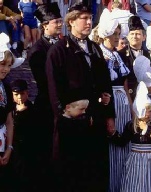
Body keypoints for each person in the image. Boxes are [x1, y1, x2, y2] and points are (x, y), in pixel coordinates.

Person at [46, 2, 115, 191]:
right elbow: (54, 92)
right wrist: (66, 117)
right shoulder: (59, 51)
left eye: (90, 18)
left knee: (96, 174)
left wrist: (109, 115)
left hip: (96, 122)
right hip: (72, 127)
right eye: (83, 18)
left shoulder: (95, 49)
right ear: (71, 22)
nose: (88, 22)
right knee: (73, 175)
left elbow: (105, 84)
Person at [26, 2, 62, 190]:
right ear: (45, 25)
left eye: (60, 20)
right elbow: (45, 81)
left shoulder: (64, 44)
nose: (59, 24)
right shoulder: (38, 50)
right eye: (56, 21)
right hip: (47, 106)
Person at [109, 81, 151, 192]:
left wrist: (147, 129)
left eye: (150, 111)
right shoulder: (131, 125)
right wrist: (113, 134)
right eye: (146, 111)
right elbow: (122, 141)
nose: (148, 114)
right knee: (135, 184)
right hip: (136, 159)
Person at [97, 17, 131, 192]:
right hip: (110, 102)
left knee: (125, 144)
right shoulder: (99, 54)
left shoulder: (118, 54)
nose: (117, 37)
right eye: (113, 34)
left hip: (123, 101)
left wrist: (131, 106)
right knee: (113, 144)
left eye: (118, 34)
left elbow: (125, 84)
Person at [56, 88, 93, 191]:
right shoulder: (63, 122)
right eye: (81, 109)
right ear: (68, 107)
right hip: (68, 166)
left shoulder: (77, 120)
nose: (84, 112)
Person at [10, 79, 36, 191]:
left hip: (26, 150)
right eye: (16, 94)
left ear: (27, 93)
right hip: (12, 148)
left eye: (22, 94)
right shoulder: (9, 109)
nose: (19, 97)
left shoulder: (33, 110)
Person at [118, 15, 150, 105]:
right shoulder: (121, 54)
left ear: (144, 37)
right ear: (127, 37)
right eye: (132, 34)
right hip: (128, 96)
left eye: (138, 34)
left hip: (144, 95)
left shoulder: (148, 55)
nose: (134, 36)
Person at [0, 33, 16, 191]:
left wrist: (10, 148)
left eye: (9, 65)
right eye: (2, 64)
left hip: (3, 143)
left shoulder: (6, 86)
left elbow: (9, 119)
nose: (5, 69)